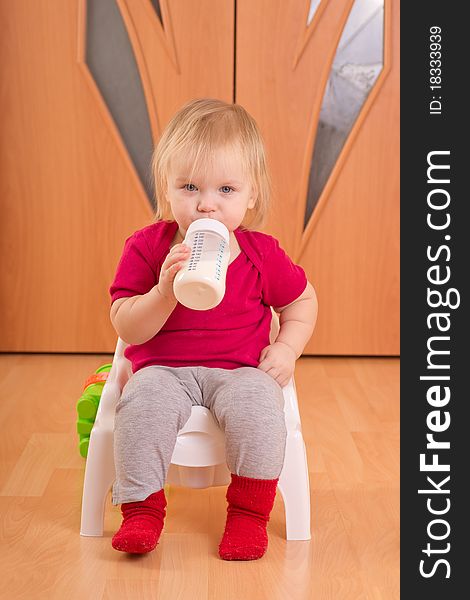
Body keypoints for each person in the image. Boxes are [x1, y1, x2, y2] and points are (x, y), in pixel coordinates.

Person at [109, 98, 318, 560]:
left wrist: (287, 347)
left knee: (262, 407)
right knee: (140, 403)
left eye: (226, 189)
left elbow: (302, 300)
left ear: (251, 196)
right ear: (166, 191)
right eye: (189, 187)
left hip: (239, 369)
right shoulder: (148, 248)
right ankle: (141, 510)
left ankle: (248, 515)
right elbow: (126, 325)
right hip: (164, 369)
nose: (206, 204)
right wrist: (164, 291)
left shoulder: (261, 253)